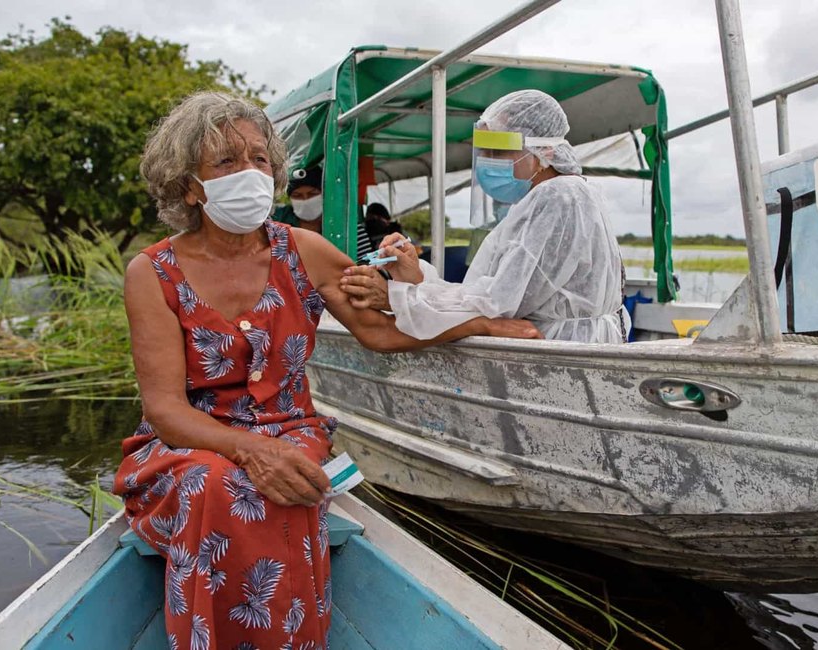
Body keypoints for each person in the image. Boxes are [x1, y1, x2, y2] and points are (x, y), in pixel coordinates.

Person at [114, 91, 540, 650]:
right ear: (189, 186)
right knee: (215, 484)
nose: (250, 173)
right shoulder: (152, 273)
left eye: (259, 159)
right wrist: (248, 450)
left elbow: (381, 328)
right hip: (191, 443)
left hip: (290, 431)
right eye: (226, 162)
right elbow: (165, 410)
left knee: (284, 487)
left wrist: (472, 323)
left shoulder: (303, 250)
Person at [341, 89, 630, 343]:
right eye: (486, 150)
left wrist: (397, 296)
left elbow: (497, 303)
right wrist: (415, 276)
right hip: (555, 344)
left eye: (500, 150)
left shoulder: (558, 196)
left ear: (544, 150)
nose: (489, 161)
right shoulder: (545, 199)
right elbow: (485, 292)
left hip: (560, 349)